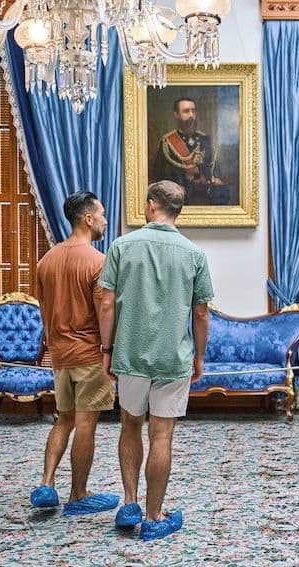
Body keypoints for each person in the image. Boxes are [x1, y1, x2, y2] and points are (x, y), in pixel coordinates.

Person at [98, 180, 214, 541]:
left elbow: (105, 303)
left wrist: (107, 349)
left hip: (130, 354)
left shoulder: (122, 245)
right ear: (178, 211)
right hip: (173, 357)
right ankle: (153, 517)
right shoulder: (194, 254)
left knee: (129, 425)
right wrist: (199, 356)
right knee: (161, 435)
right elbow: (201, 314)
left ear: (151, 206)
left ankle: (129, 501)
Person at [30, 191, 119, 516]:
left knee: (63, 420)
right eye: (103, 214)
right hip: (90, 355)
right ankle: (78, 493)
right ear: (88, 218)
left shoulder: (47, 260)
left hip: (61, 356)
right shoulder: (98, 261)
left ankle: (46, 483)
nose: (106, 220)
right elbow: (105, 309)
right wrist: (109, 350)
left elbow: (44, 308)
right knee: (85, 424)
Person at [151, 97, 232, 205]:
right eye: (186, 111)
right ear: (176, 115)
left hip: (206, 198)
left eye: (193, 111)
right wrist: (173, 187)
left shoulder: (205, 140)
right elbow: (158, 176)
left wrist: (214, 179)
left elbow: (214, 169)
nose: (191, 115)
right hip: (178, 201)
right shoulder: (167, 143)